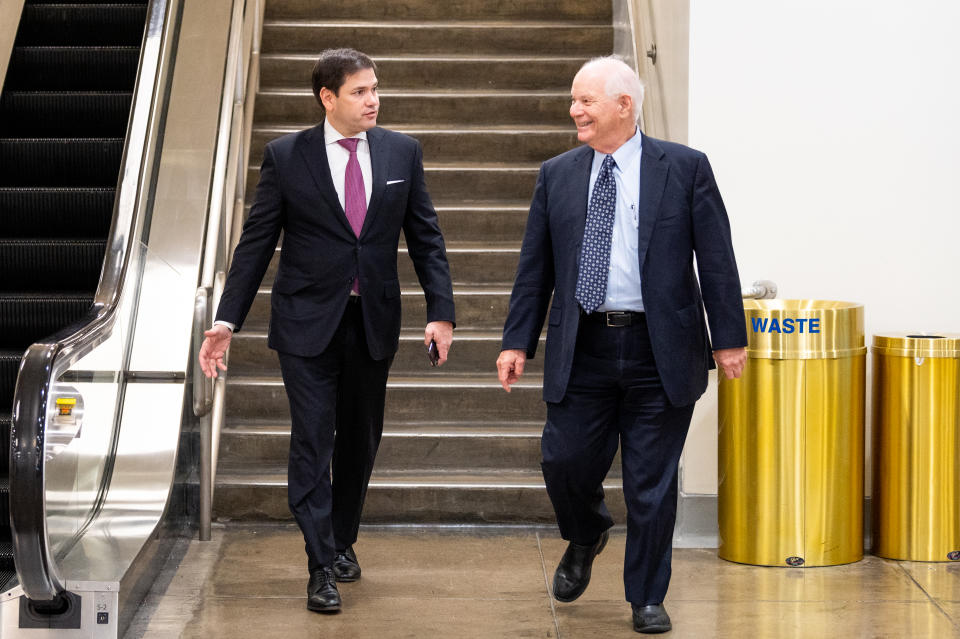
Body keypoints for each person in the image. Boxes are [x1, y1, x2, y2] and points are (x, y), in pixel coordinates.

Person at [198, 48, 455, 614]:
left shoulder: (401, 152)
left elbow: (427, 237)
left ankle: (342, 539)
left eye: (376, 89)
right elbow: (256, 243)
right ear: (328, 98)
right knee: (313, 441)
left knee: (360, 441)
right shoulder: (287, 157)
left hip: (372, 322)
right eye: (361, 91)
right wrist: (225, 320)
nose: (373, 100)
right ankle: (320, 566)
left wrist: (442, 312)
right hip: (306, 326)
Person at [496, 56, 746, 634]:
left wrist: (728, 337)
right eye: (574, 100)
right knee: (564, 462)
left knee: (650, 482)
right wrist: (517, 341)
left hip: (661, 350)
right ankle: (585, 533)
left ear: (623, 106)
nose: (573, 110)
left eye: (585, 100)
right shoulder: (556, 173)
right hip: (582, 346)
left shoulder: (684, 168)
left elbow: (716, 257)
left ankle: (647, 597)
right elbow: (535, 268)